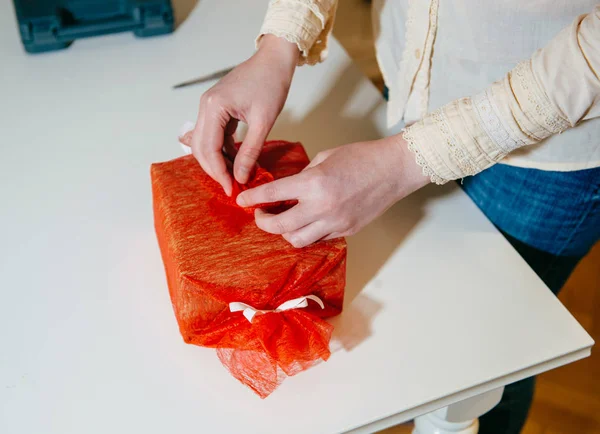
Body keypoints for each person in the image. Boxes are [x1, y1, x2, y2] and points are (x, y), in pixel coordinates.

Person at [188, 1, 600, 433]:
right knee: (417, 321)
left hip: (553, 152)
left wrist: (404, 163)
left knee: (488, 361)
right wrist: (279, 41)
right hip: (417, 81)